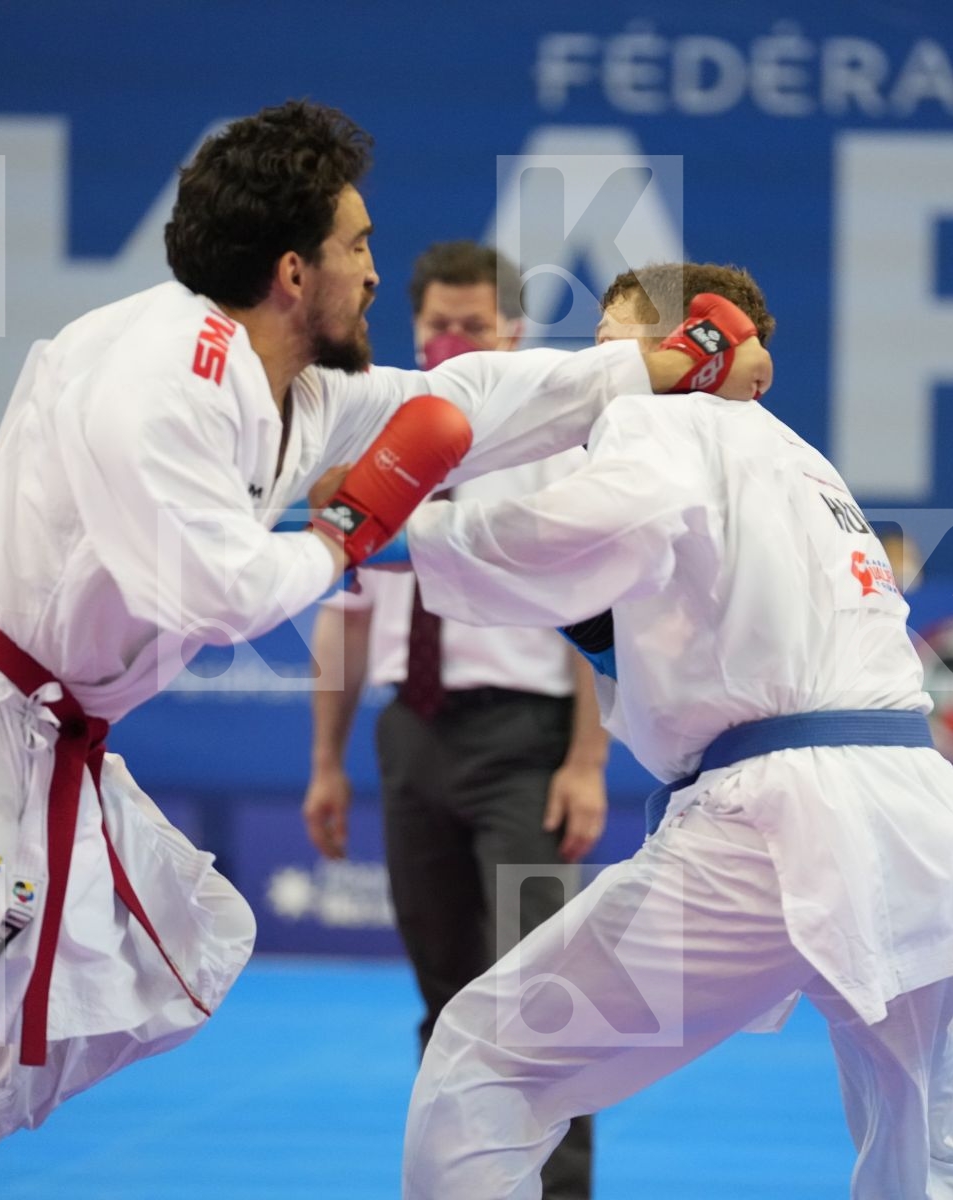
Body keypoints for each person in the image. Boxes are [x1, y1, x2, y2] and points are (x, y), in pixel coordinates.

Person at [0, 101, 770, 1200]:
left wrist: (650, 369)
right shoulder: (159, 377)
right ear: (294, 272)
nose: (370, 270)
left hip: (42, 740)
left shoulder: (284, 391)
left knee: (187, 941)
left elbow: (459, 400)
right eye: (356, 246)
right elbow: (206, 586)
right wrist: (346, 535)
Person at [397, 263, 953, 1200]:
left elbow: (595, 525)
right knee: (928, 1160)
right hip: (916, 818)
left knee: (485, 1063)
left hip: (776, 824)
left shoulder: (664, 416)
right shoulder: (803, 459)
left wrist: (404, 533)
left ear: (684, 347)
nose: (598, 374)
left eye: (609, 347)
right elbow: (718, 627)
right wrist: (606, 640)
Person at [303, 241, 605, 1200]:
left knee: (541, 999)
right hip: (413, 739)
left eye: (473, 326)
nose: (452, 340)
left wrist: (587, 763)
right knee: (444, 999)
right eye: (438, 324)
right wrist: (326, 763)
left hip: (527, 747)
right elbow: (345, 612)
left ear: (512, 333)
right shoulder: (379, 445)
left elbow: (598, 613)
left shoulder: (557, 449)